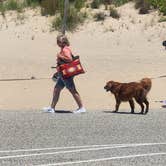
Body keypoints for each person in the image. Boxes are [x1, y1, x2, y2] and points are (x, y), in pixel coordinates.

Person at [43, 34, 86, 113]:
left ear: (63, 42)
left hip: (66, 75)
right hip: (62, 74)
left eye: (59, 42)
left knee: (72, 90)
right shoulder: (64, 49)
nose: (57, 43)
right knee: (57, 89)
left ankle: (81, 107)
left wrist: (60, 56)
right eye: (57, 41)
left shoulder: (65, 50)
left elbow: (69, 59)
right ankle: (52, 108)